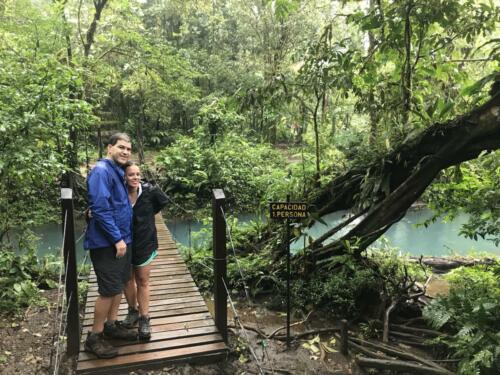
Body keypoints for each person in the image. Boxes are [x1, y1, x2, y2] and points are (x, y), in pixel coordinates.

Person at [83, 133, 137, 359]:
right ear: (109, 148)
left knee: (117, 286)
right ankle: (94, 338)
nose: (125, 152)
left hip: (122, 240)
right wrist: (116, 239)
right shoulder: (101, 171)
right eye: (121, 147)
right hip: (108, 243)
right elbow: (101, 209)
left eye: (128, 149)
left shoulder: (116, 171)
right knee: (107, 290)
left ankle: (111, 325)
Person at [121, 162, 168, 340]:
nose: (135, 178)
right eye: (131, 174)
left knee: (142, 280)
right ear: (124, 177)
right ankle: (132, 310)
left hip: (145, 242)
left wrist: (146, 216)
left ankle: (144, 317)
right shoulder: (119, 193)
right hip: (124, 242)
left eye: (137, 174)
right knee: (127, 279)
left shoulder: (150, 191)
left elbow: (161, 203)